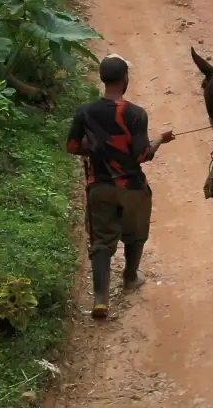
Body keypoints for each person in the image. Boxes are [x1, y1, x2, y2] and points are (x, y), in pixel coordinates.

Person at [67, 54, 174, 319]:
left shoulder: (84, 112)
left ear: (103, 79)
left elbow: (72, 146)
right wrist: (160, 140)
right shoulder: (136, 114)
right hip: (132, 188)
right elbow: (142, 155)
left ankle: (100, 299)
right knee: (136, 234)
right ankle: (129, 277)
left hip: (100, 186)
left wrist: (96, 150)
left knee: (101, 242)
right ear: (125, 79)